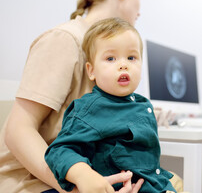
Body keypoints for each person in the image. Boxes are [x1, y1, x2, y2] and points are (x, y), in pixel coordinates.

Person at [0, 0, 144, 193]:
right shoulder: (65, 40)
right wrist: (76, 186)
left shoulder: (103, 52)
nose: (141, 9)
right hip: (34, 182)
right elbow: (18, 132)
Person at [45, 17, 176, 193]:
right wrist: (84, 175)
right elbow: (59, 151)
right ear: (91, 71)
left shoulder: (143, 105)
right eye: (111, 58)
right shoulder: (89, 109)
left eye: (131, 57)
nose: (123, 65)